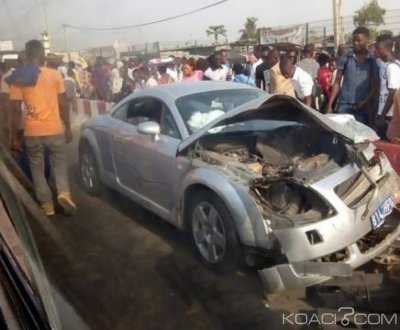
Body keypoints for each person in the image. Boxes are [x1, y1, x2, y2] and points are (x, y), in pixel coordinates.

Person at [9, 40, 76, 216]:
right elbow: (63, 104)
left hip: (32, 132)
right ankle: (63, 193)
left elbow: (16, 110)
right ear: (43, 57)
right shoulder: (55, 75)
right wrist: (68, 127)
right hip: (54, 129)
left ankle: (47, 205)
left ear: (27, 56)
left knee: (37, 168)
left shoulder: (18, 78)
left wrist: (15, 137)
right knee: (59, 163)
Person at [328, 27, 379, 125]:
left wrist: (364, 102)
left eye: (359, 40)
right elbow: (337, 82)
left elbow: (375, 85)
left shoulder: (372, 60)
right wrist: (330, 104)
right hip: (344, 104)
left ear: (367, 39)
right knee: (341, 133)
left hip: (363, 106)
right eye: (354, 40)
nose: (355, 43)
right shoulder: (346, 57)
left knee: (360, 136)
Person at [374, 34, 400, 139]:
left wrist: (383, 116)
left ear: (388, 48)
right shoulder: (385, 65)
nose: (376, 51)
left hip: (389, 115)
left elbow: (392, 92)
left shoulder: (392, 67)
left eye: (379, 48)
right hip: (384, 113)